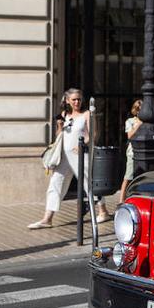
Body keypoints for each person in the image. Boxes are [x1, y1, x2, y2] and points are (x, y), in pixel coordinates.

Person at [29, 89, 105, 229]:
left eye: (79, 99)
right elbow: (60, 135)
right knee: (55, 184)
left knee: (88, 182)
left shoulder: (87, 114)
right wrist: (59, 125)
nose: (77, 102)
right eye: (74, 99)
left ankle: (102, 211)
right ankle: (47, 218)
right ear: (67, 100)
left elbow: (94, 134)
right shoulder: (65, 115)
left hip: (80, 154)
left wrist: (83, 144)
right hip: (64, 156)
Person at [117, 99, 143, 203]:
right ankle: (121, 200)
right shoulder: (130, 121)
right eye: (139, 110)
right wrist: (138, 125)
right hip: (133, 152)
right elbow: (129, 135)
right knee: (128, 176)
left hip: (143, 151)